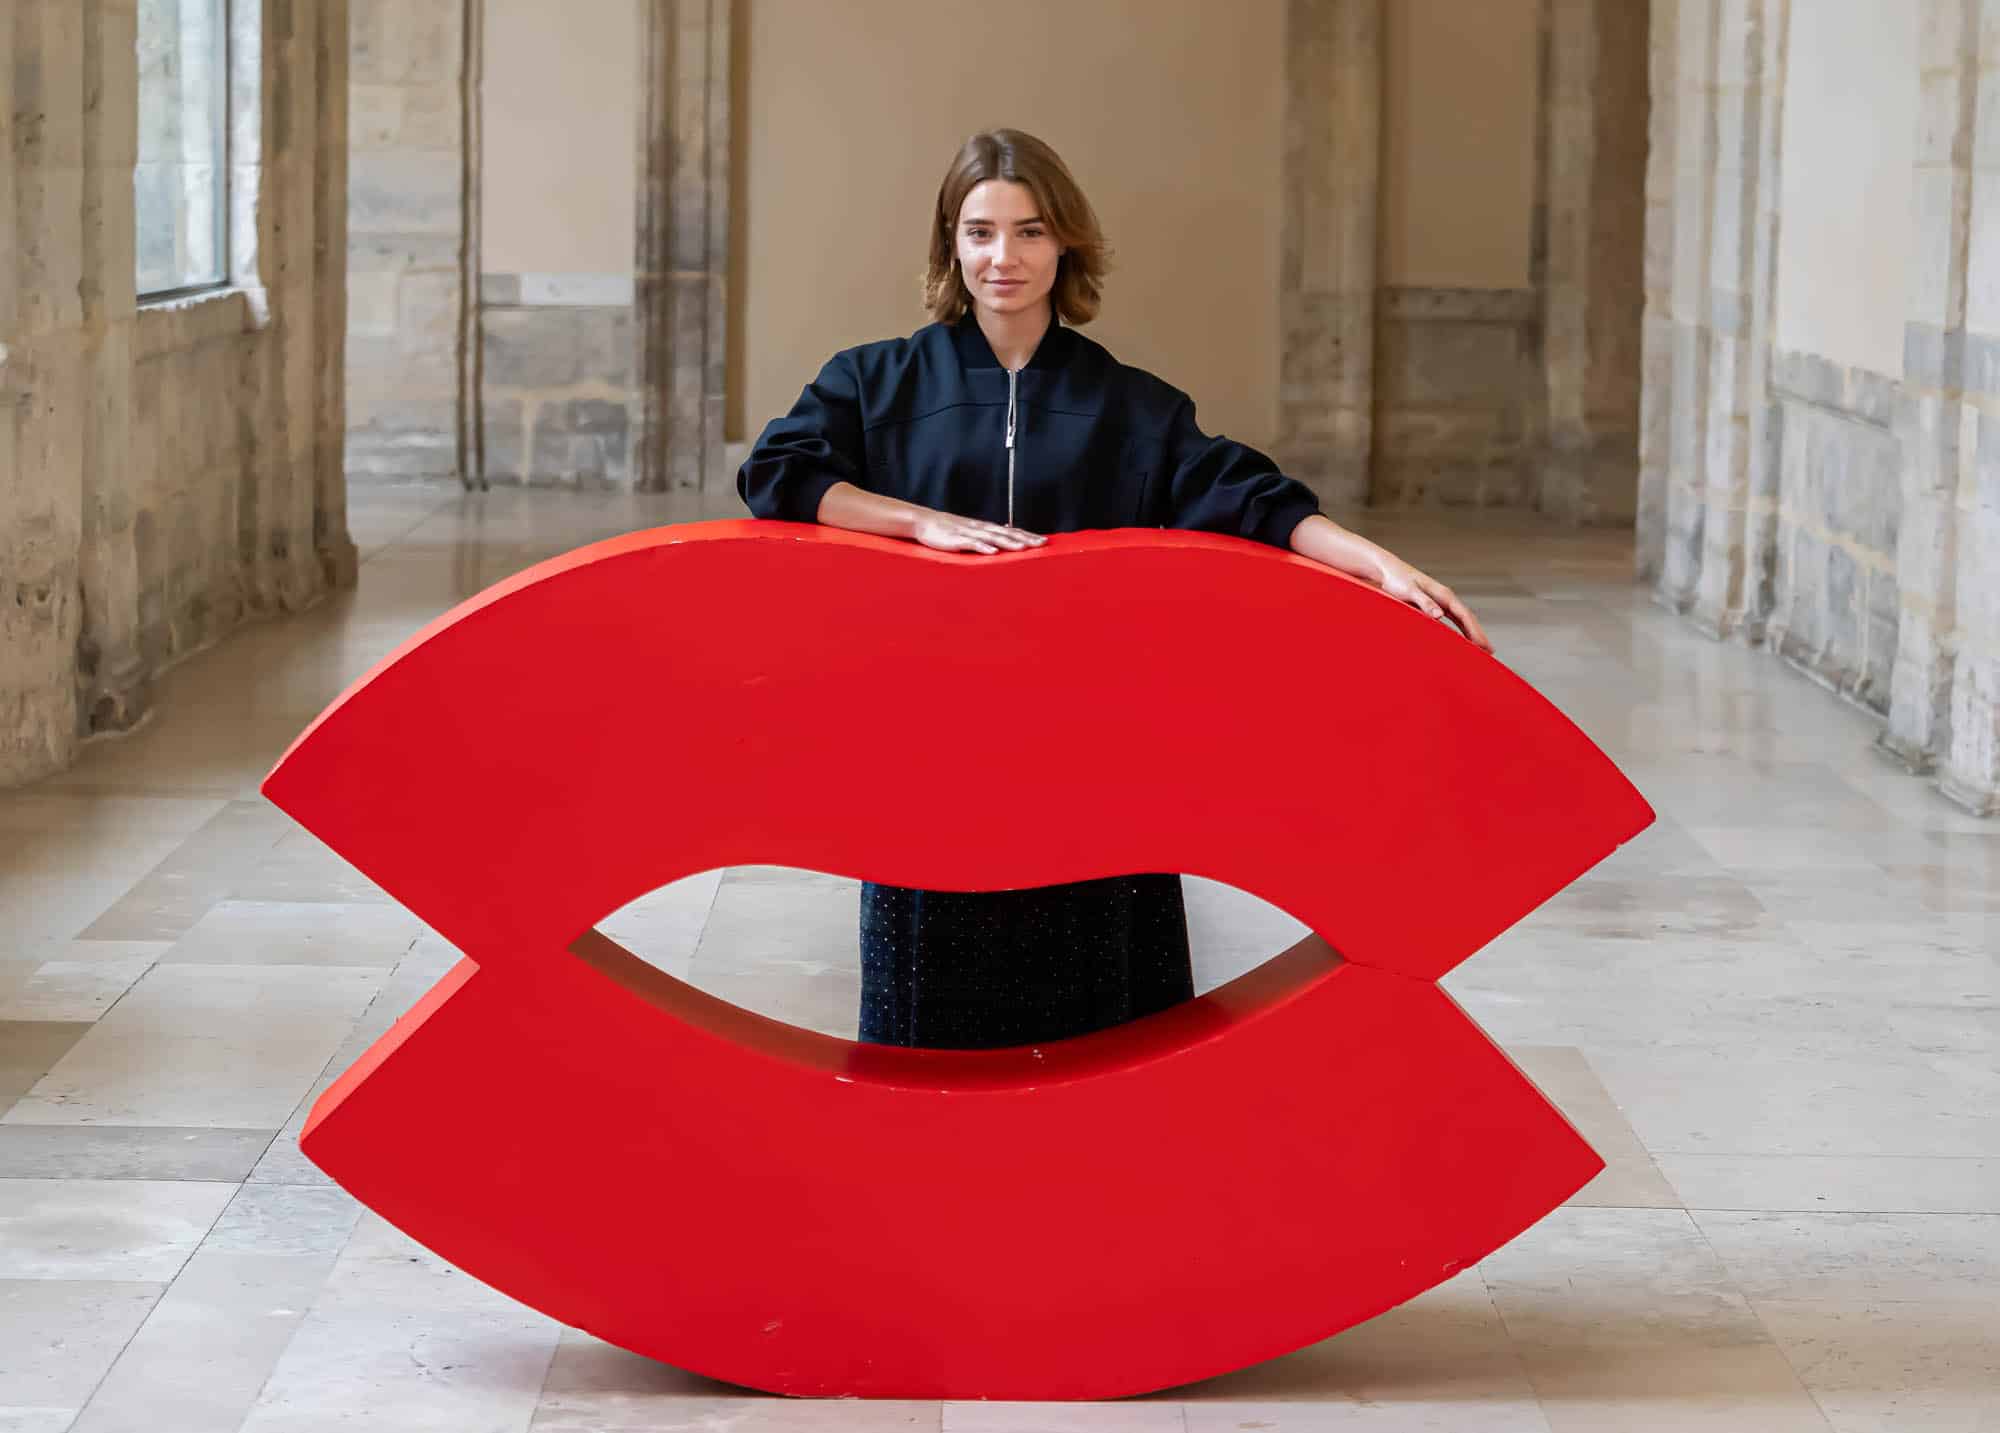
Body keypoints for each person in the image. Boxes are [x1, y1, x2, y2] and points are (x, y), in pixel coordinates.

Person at [738, 128, 1489, 1053]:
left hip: (1094, 750)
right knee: (932, 1047)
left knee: (1106, 1045)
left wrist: (1374, 561)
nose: (1004, 257)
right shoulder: (875, 381)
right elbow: (780, 473)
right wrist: (917, 521)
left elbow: (1246, 497)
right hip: (933, 748)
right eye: (979, 232)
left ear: (1066, 244)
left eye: (1030, 231)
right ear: (950, 245)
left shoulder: (1129, 403)